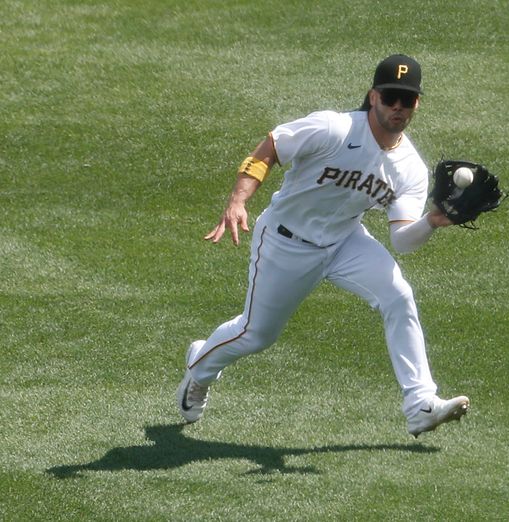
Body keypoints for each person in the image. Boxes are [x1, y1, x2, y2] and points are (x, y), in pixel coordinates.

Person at [176, 54, 469, 437]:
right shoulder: (333, 128)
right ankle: (200, 367)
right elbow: (271, 147)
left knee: (398, 296)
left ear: (417, 104)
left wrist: (431, 222)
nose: (398, 106)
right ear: (373, 96)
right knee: (256, 334)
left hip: (346, 240)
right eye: (391, 96)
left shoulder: (410, 168)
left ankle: (421, 404)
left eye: (407, 99)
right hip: (286, 241)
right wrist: (238, 200)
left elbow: (401, 239)